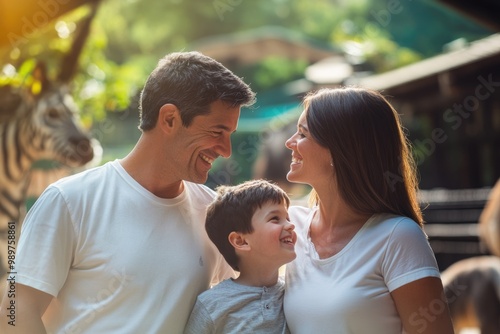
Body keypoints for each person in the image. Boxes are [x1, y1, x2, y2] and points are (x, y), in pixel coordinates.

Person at [0, 51, 255, 333]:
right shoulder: (69, 200)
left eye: (230, 135)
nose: (226, 149)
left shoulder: (212, 213)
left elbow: (244, 298)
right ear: (169, 119)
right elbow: (15, 312)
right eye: (217, 132)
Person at [283, 87, 455, 334]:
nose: (289, 143)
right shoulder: (290, 227)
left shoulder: (398, 237)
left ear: (339, 150)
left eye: (302, 134)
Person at [184, 179, 296, 334]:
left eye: (288, 218)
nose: (291, 225)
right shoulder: (212, 304)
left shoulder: (295, 291)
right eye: (275, 219)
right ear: (240, 241)